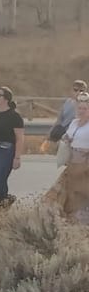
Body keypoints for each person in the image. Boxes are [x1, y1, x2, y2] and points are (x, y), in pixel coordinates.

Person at [44, 93, 89, 223]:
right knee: (65, 194)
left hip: (85, 164)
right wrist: (66, 139)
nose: (81, 111)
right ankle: (67, 222)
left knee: (81, 195)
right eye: (79, 108)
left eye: (84, 109)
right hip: (73, 163)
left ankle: (81, 223)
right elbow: (67, 136)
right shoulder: (74, 122)